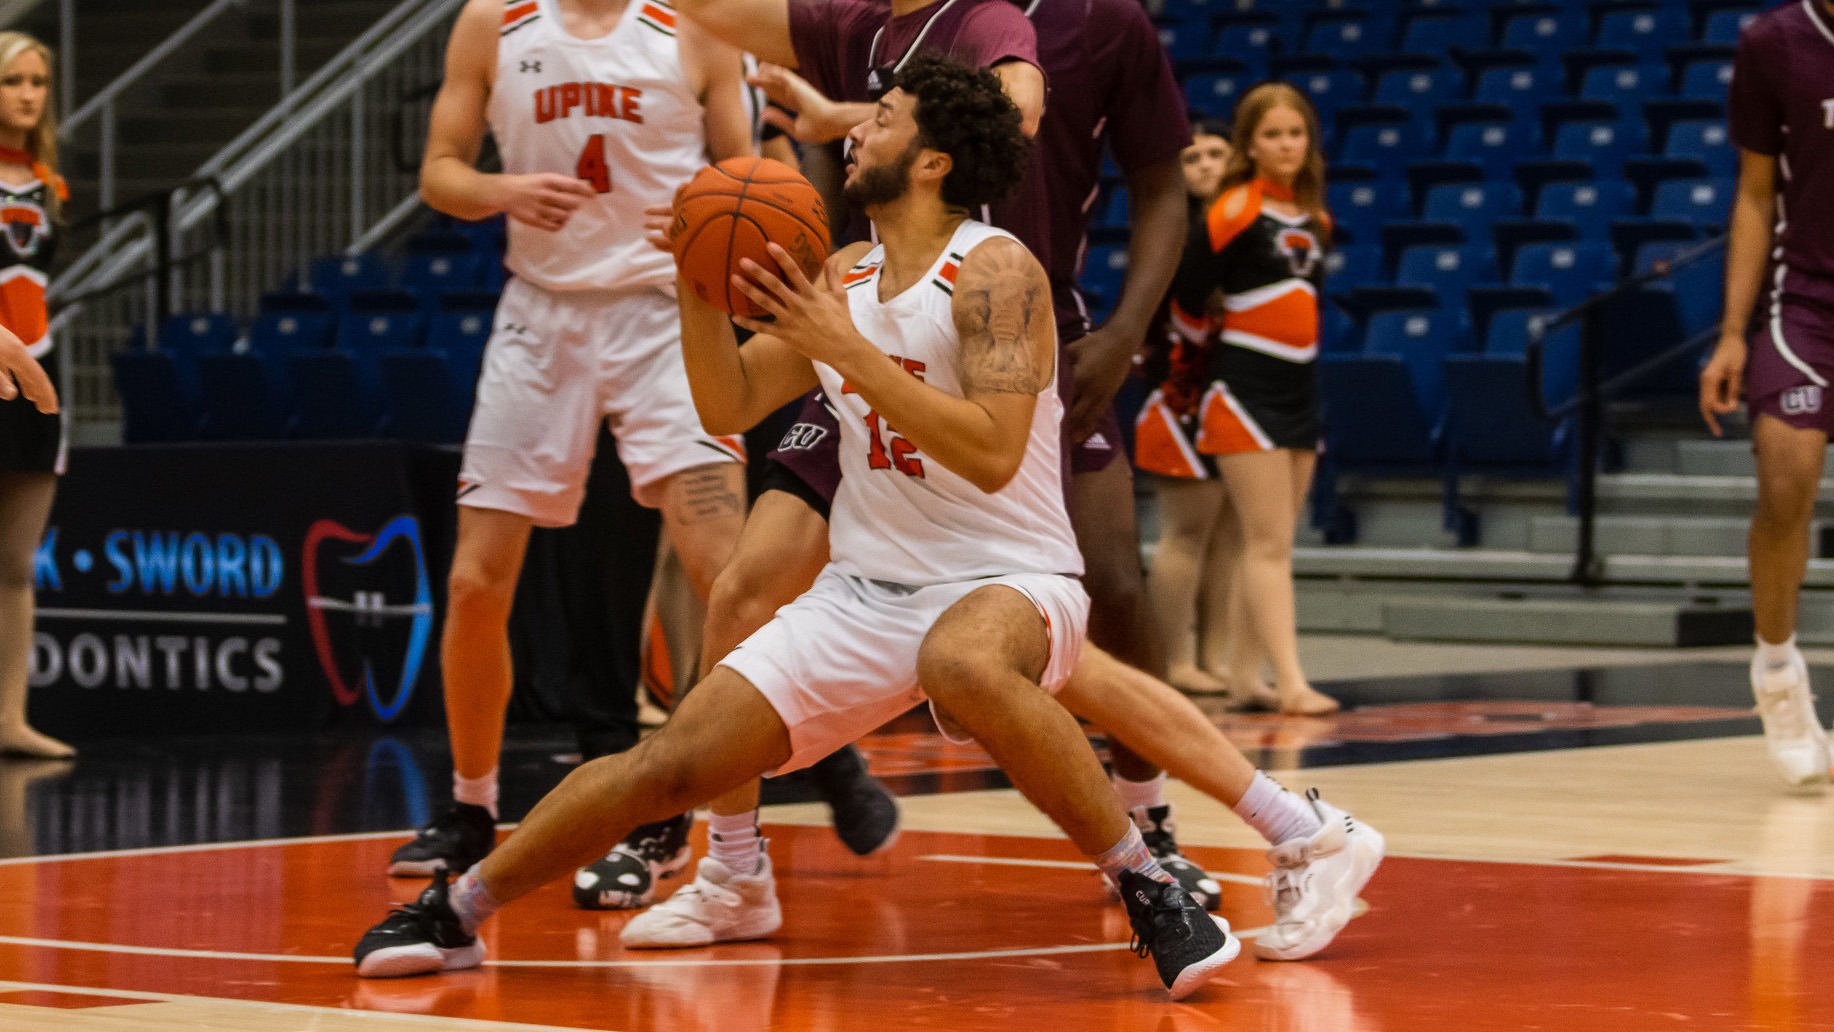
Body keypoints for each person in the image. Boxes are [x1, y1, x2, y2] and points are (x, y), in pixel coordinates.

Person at [352, 59, 1240, 1001]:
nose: (856, 132)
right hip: (863, 595)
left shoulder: (996, 269)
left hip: (1009, 578)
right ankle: (459, 908)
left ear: (934, 161)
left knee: (962, 663)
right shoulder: (845, 273)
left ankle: (1150, 888)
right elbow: (729, 401)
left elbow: (989, 449)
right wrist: (693, 281)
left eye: (884, 120)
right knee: (670, 765)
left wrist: (842, 347)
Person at [658, 0, 1221, 912]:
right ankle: (726, 858)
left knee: (1110, 585)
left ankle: (1149, 816)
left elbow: (1070, 132)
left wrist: (1127, 329)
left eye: (887, 117)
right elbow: (725, 14)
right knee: (745, 589)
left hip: (1009, 327)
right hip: (869, 320)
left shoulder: (1072, 20)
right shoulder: (860, 25)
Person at [384, 0, 757, 887]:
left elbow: (747, 174)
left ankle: (713, 833)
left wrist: (711, 216)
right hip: (541, 317)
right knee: (477, 582)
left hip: (667, 312)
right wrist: (502, 191)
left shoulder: (696, 25)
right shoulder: (493, 23)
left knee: (729, 575)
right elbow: (440, 174)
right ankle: (473, 807)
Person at [1166, 83, 1338, 718]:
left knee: (1266, 542)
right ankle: (1290, 680)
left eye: (1295, 133)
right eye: (1271, 135)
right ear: (1249, 144)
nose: (1286, 145)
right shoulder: (1233, 208)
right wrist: (1199, 355)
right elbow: (1185, 294)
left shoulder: (1317, 218)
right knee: (1268, 544)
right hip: (1244, 388)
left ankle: (1243, 675)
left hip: (1301, 387)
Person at [1697, 0, 1834, 787]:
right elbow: (1754, 194)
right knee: (1786, 479)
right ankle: (1778, 671)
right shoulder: (1774, 43)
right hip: (1806, 301)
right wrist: (1730, 331)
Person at [1137, 119, 1270, 705]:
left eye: (1217, 154)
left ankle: (1213, 657)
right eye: (1192, 158)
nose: (1207, 166)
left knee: (1231, 538)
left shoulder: (1245, 228)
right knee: (1186, 535)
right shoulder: (1168, 234)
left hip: (1236, 394)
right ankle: (1172, 659)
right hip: (1181, 396)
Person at [0, 31, 72, 761]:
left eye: (36, 82)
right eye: (11, 81)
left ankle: (9, 717)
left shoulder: (49, 180)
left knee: (17, 564)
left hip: (39, 366)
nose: (26, 94)